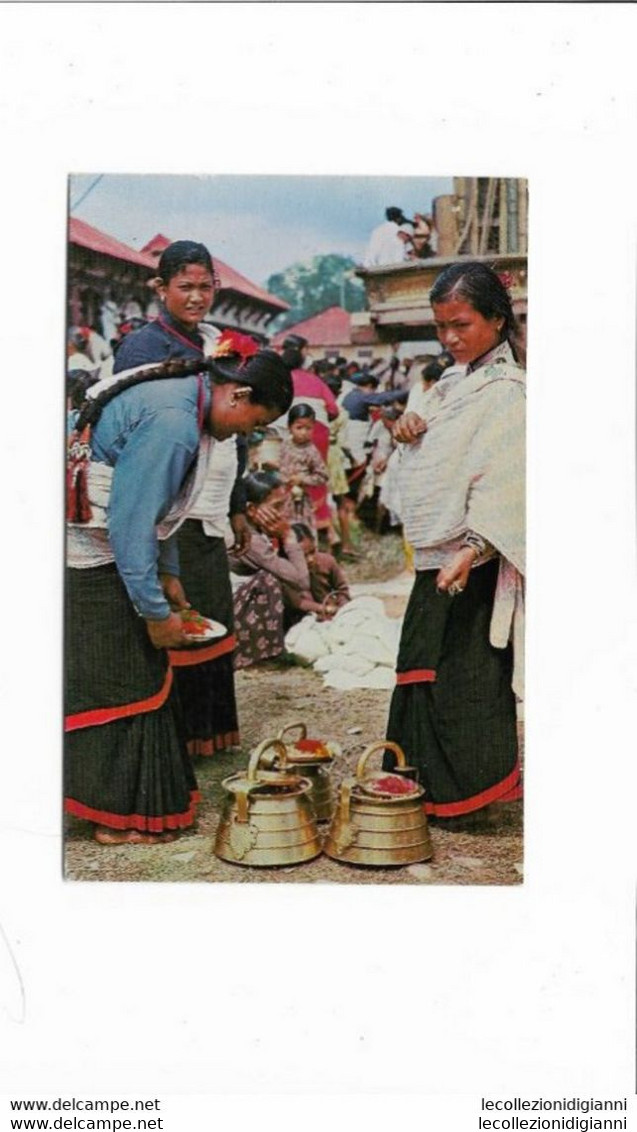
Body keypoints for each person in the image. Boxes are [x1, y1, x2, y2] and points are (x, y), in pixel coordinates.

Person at [65, 291, 293, 844]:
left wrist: (167, 578)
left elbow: (161, 508)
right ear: (237, 393)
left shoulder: (189, 400)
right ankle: (110, 816)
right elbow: (129, 522)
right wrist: (153, 609)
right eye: (251, 423)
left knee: (139, 674)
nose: (244, 436)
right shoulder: (174, 420)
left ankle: (125, 809)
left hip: (111, 546)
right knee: (123, 678)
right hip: (90, 554)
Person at [384, 261, 525, 827]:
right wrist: (408, 428)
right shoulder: (448, 385)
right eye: (441, 326)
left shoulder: (508, 393)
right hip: (435, 553)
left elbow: (508, 478)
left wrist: (474, 547)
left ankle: (469, 795)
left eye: (460, 324)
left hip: (474, 558)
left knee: (465, 676)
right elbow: (430, 457)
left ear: (495, 319)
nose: (449, 338)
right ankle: (423, 784)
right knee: (420, 666)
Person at [112, 241, 252, 762]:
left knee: (211, 613)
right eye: (185, 287)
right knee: (177, 616)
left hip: (210, 497)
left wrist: (237, 503)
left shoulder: (219, 343)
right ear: (160, 288)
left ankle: (210, 732)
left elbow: (236, 430)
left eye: (204, 286)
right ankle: (174, 737)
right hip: (164, 497)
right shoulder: (141, 348)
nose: (196, 297)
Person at [228, 471, 312, 668]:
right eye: (276, 507)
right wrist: (288, 536)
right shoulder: (249, 538)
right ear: (251, 509)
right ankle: (263, 655)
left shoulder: (255, 531)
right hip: (232, 614)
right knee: (270, 579)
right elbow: (301, 581)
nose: (283, 514)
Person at [278, 403, 329, 533]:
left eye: (308, 428)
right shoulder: (285, 445)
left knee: (299, 533)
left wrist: (302, 479)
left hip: (298, 502)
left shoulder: (311, 451)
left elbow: (323, 475)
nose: (303, 433)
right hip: (281, 497)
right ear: (290, 427)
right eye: (299, 428)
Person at [290, 523, 351, 617]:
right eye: (303, 556)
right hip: (303, 616)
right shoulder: (287, 571)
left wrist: (342, 609)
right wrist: (322, 608)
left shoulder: (327, 561)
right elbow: (296, 601)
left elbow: (342, 590)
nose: (310, 559)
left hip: (333, 612)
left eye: (312, 552)